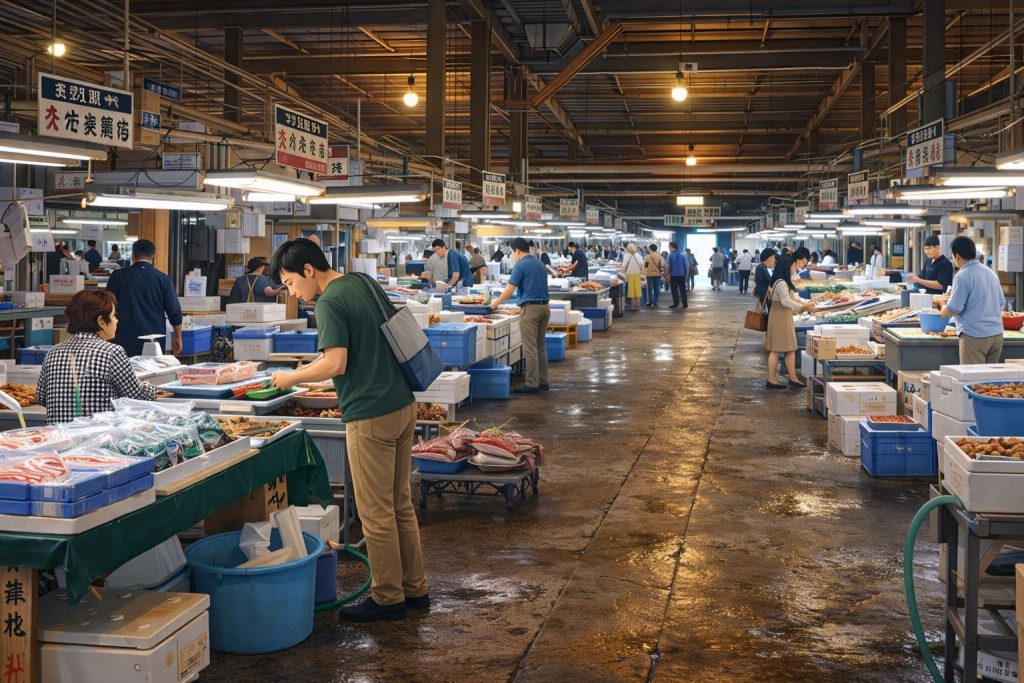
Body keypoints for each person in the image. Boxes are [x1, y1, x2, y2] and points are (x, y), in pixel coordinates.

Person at [268, 238, 427, 622]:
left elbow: (336, 362)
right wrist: (314, 374)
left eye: (290, 283)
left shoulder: (328, 301)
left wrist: (291, 378)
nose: (293, 292)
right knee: (400, 504)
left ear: (308, 270)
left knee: (375, 513)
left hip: (370, 415)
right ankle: (414, 589)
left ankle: (388, 598)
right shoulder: (361, 281)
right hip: (403, 405)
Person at [36, 290, 156, 424]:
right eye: (113, 315)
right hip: (98, 439)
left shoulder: (53, 352)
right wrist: (155, 390)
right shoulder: (112, 352)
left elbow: (42, 398)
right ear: (101, 322)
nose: (116, 320)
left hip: (59, 439)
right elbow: (136, 395)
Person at [490, 237, 550, 394]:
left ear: (517, 250)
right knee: (540, 346)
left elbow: (509, 290)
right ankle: (543, 381)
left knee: (529, 348)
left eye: (511, 253)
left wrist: (495, 303)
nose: (511, 256)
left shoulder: (520, 265)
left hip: (530, 310)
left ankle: (532, 384)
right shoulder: (539, 262)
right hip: (545, 308)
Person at [105, 239, 182, 356]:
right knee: (152, 373)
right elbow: (174, 311)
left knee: (123, 373)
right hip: (154, 342)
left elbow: (107, 306)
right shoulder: (163, 279)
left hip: (123, 340)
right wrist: (178, 337)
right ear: (153, 257)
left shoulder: (118, 276)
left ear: (133, 255)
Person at [940, 236, 1005, 364]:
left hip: (975, 336)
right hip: (997, 336)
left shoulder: (962, 276)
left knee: (972, 380)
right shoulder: (990, 273)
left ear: (957, 256)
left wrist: (943, 310)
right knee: (987, 381)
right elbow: (1001, 303)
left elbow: (953, 309)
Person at [765, 256, 816, 390]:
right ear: (786, 267)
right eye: (792, 265)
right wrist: (802, 307)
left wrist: (804, 303)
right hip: (780, 316)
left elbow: (790, 298)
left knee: (790, 348)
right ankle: (771, 379)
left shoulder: (782, 281)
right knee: (776, 349)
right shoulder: (781, 282)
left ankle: (792, 378)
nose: (794, 268)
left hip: (783, 315)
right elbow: (785, 301)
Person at [619, 243, 645, 311]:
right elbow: (642, 265)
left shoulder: (626, 256)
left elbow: (623, 266)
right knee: (638, 291)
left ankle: (633, 306)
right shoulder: (639, 256)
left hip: (630, 275)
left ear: (628, 249)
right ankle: (638, 306)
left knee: (631, 291)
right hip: (637, 275)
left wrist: (621, 272)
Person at [666, 242, 689, 309]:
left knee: (674, 290)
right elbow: (687, 266)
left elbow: (668, 266)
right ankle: (685, 304)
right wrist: (687, 275)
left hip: (673, 275)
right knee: (683, 290)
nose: (669, 248)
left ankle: (676, 303)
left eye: (669, 247)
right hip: (682, 275)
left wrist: (666, 274)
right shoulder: (683, 255)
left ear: (672, 247)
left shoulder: (670, 256)